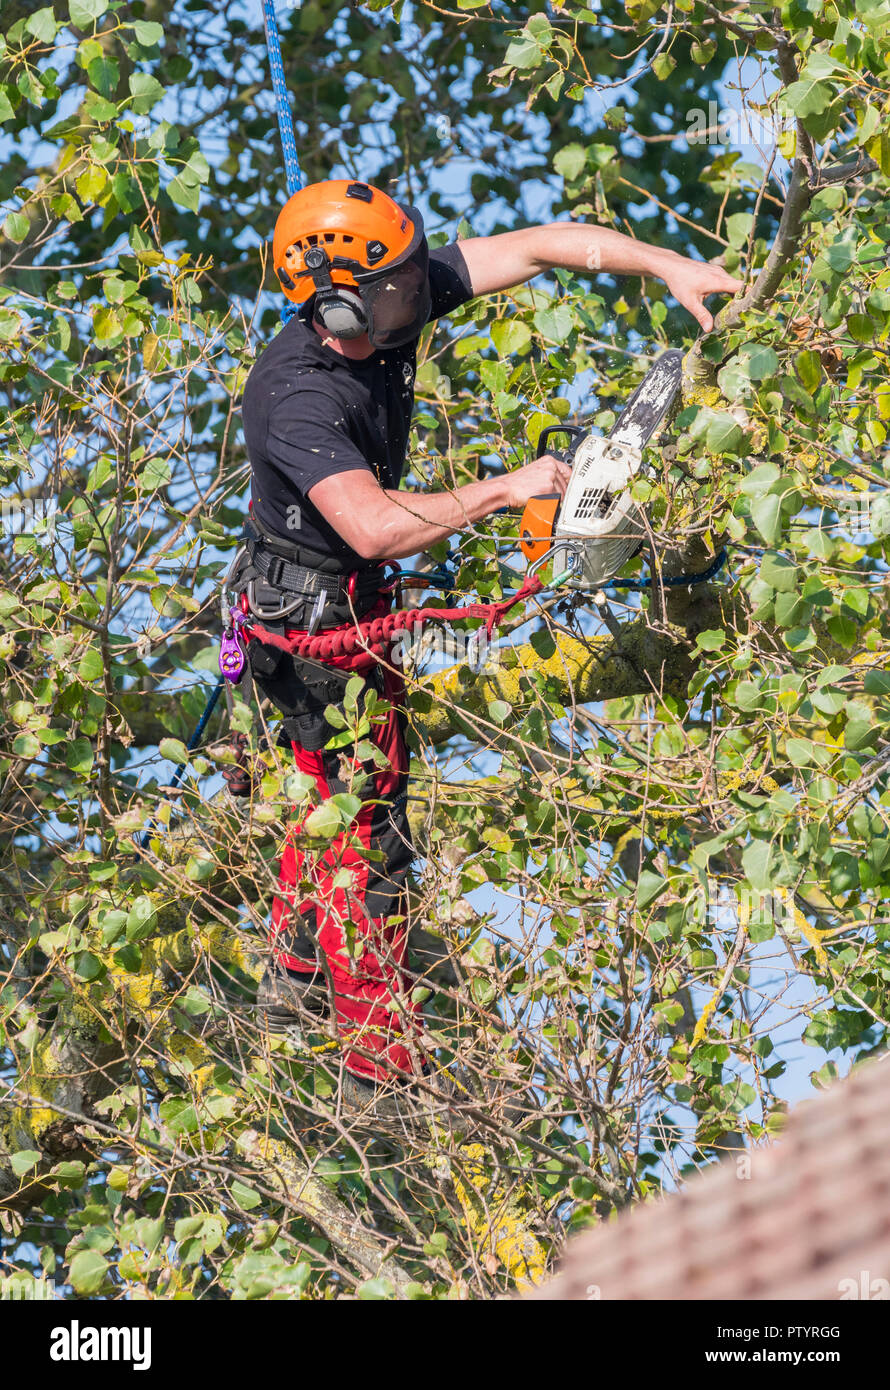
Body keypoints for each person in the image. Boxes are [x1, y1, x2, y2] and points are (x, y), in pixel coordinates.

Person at [239, 178, 740, 1115]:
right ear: (339, 299)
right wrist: (504, 490)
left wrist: (669, 265)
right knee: (368, 836)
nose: (417, 296)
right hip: (312, 633)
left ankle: (294, 964)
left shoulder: (391, 296)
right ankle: (374, 1068)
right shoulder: (295, 397)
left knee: (338, 795)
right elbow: (376, 527)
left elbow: (544, 244)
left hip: (350, 605)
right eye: (394, 288)